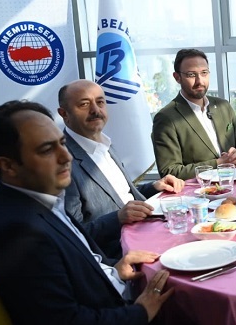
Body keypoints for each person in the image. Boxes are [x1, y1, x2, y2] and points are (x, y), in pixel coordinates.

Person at [0, 101, 232, 325]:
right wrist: (140, 313)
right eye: (47, 150)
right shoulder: (19, 235)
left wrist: (114, 269)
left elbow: (64, 274)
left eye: (62, 143)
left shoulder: (28, 203)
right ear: (8, 166)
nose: (65, 157)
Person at [58, 79, 185, 259]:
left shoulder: (105, 143)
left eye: (100, 102)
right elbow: (73, 235)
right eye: (84, 104)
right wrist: (117, 218)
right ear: (64, 114)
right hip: (120, 255)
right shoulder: (62, 163)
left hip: (148, 231)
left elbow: (122, 196)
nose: (95, 110)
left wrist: (154, 187)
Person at [152, 49, 236, 180]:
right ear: (177, 77)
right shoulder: (166, 118)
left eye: (204, 73)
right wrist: (219, 163)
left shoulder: (223, 106)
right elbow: (170, 171)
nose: (200, 81)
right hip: (198, 190)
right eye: (191, 75)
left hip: (235, 182)